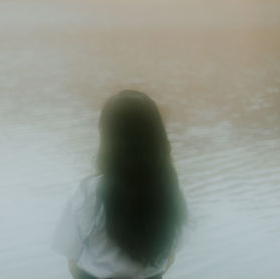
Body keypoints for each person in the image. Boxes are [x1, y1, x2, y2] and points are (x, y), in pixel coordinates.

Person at [51, 90, 189, 279]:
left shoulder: (89, 191)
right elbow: (170, 256)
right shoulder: (168, 190)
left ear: (108, 138)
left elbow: (72, 262)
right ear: (156, 136)